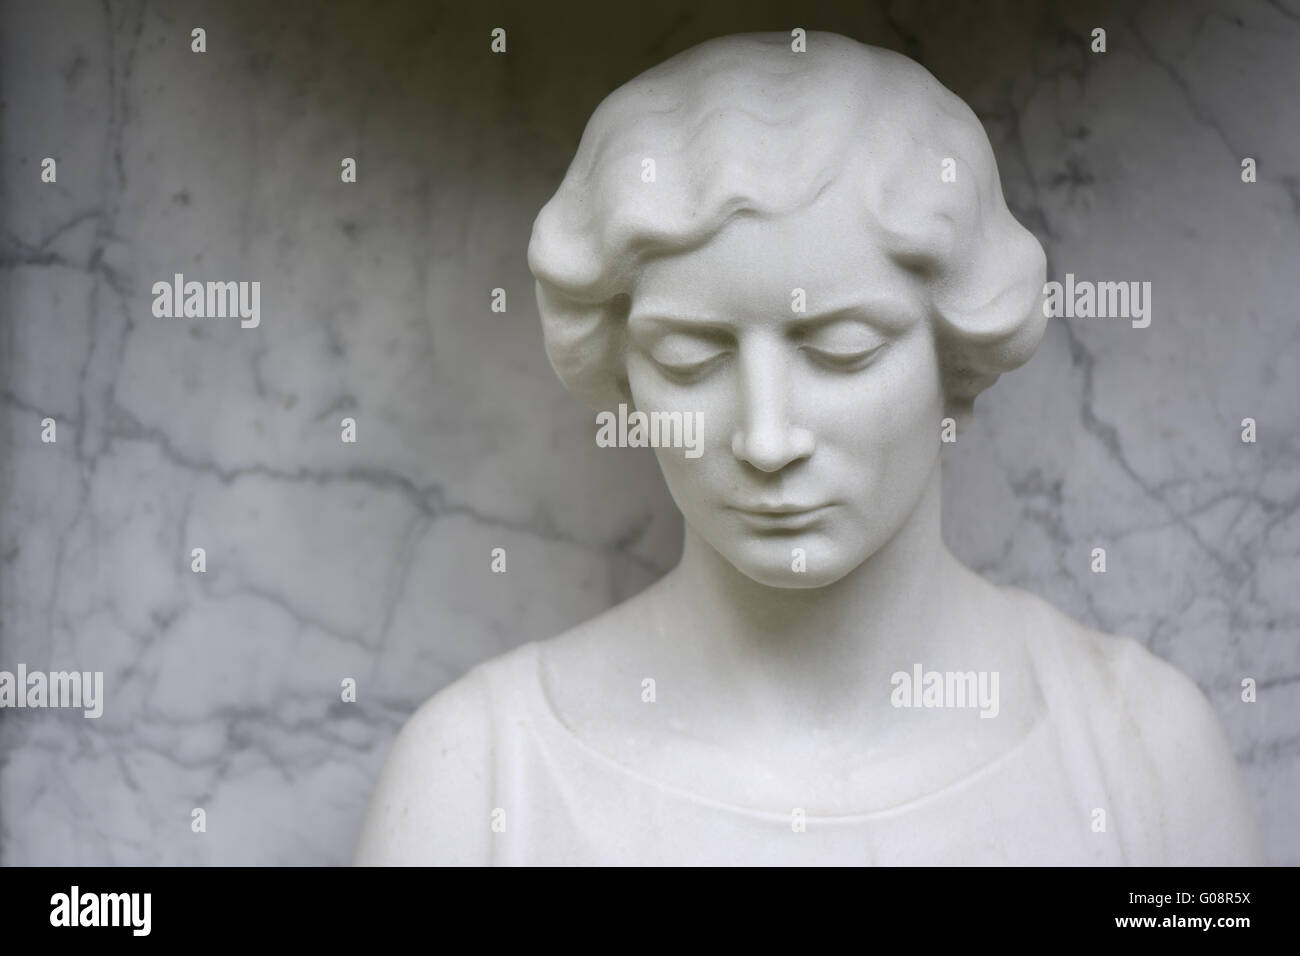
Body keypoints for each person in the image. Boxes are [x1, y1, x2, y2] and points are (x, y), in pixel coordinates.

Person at [355, 31, 1261, 865]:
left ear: (956, 353)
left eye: (841, 351)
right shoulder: (475, 785)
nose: (767, 437)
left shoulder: (1144, 760)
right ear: (622, 373)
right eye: (689, 357)